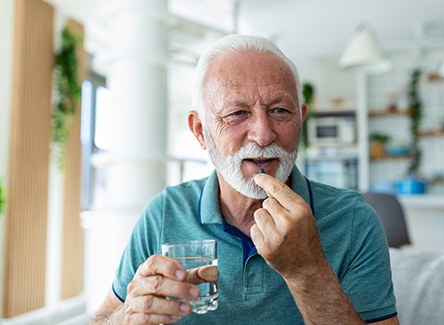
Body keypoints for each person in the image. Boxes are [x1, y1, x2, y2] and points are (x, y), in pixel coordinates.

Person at [91, 34, 399, 325]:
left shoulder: (354, 220)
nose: (263, 135)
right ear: (201, 131)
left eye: (280, 110)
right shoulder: (163, 213)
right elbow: (102, 318)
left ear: (300, 119)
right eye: (237, 113)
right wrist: (128, 315)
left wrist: (306, 270)